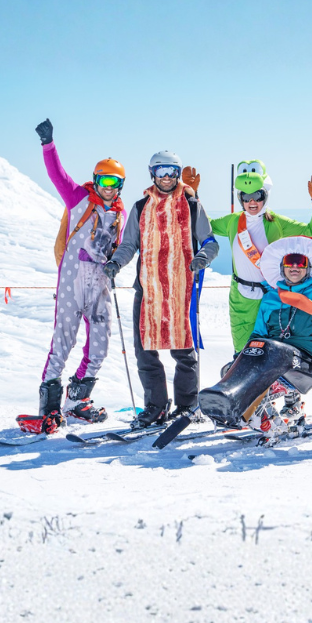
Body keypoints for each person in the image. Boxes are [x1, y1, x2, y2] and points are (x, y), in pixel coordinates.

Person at [19, 119, 127, 434]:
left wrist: (114, 265)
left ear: (120, 185)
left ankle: (77, 400)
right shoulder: (79, 198)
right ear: (96, 180)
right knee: (64, 338)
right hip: (73, 277)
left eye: (114, 182)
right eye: (104, 180)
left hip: (100, 281)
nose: (108, 186)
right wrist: (48, 144)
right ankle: (49, 408)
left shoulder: (118, 214)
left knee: (101, 342)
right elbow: (57, 174)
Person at [198, 237, 312, 442]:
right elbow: (258, 335)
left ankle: (274, 427)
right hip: (274, 359)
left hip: (307, 363)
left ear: (307, 268)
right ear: (282, 268)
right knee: (230, 371)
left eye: (299, 263)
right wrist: (240, 362)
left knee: (255, 387)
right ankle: (287, 408)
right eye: (289, 263)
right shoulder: (272, 297)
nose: (294, 267)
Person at [104, 151, 219, 427]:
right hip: (149, 289)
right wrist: (115, 264)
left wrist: (203, 256)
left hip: (182, 287)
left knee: (184, 350)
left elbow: (210, 241)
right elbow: (129, 244)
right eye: (160, 170)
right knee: (145, 349)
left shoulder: (192, 205)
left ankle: (187, 406)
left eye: (171, 170)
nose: (166, 176)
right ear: (151, 173)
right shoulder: (141, 206)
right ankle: (156, 406)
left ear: (177, 173)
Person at [208, 159, 312, 353]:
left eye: (257, 195)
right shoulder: (233, 221)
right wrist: (191, 197)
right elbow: (206, 225)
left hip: (270, 296)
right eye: (246, 197)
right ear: (240, 198)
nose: (252, 201)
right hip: (241, 298)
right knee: (241, 350)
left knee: (270, 351)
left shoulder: (277, 222)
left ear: (266, 195)